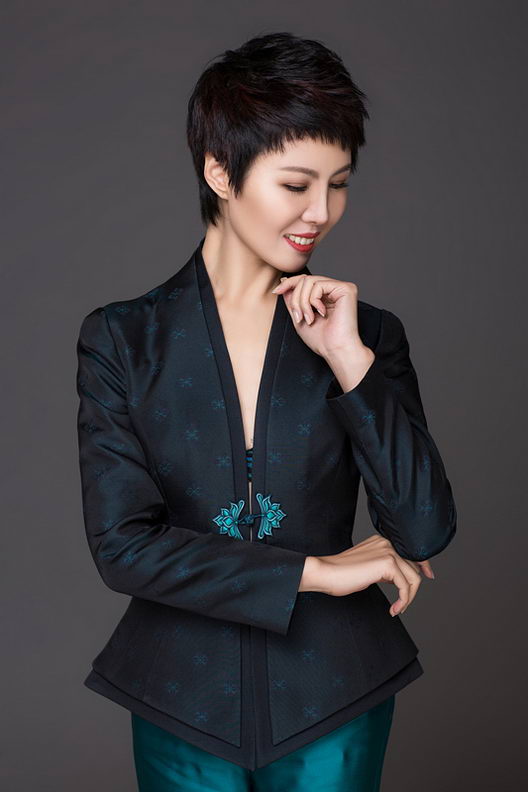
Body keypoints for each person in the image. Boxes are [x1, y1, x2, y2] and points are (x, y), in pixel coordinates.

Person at [76, 31, 457, 791]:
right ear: (220, 170)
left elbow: (422, 530)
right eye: (296, 184)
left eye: (339, 184)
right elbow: (123, 547)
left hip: (335, 695)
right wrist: (315, 572)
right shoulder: (123, 339)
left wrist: (349, 362)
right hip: (180, 697)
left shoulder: (369, 335)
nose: (322, 212)